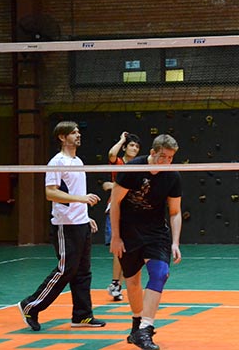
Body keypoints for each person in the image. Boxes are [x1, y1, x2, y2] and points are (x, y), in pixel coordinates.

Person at [18, 121, 106, 331]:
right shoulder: (56, 162)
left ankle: (82, 315)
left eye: (78, 132)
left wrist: (85, 215)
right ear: (62, 137)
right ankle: (31, 305)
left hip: (80, 223)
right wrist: (82, 200)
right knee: (66, 270)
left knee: (83, 272)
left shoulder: (78, 161)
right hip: (64, 226)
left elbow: (74, 193)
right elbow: (51, 192)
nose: (78, 135)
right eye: (73, 133)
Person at [109, 134, 182, 350]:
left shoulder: (173, 176)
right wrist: (115, 236)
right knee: (132, 282)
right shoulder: (132, 169)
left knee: (160, 274)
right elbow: (115, 202)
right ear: (152, 153)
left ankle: (146, 328)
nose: (167, 162)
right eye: (163, 157)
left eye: (171, 158)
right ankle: (136, 325)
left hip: (156, 233)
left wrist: (175, 242)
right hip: (129, 231)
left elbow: (175, 212)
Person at [101, 131, 142, 301]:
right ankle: (116, 283)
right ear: (125, 147)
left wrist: (112, 185)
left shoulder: (140, 166)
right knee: (119, 248)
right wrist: (122, 139)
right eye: (131, 145)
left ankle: (117, 283)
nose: (134, 148)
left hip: (134, 209)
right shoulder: (118, 163)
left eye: (137, 146)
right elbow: (111, 154)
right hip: (117, 208)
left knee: (131, 250)